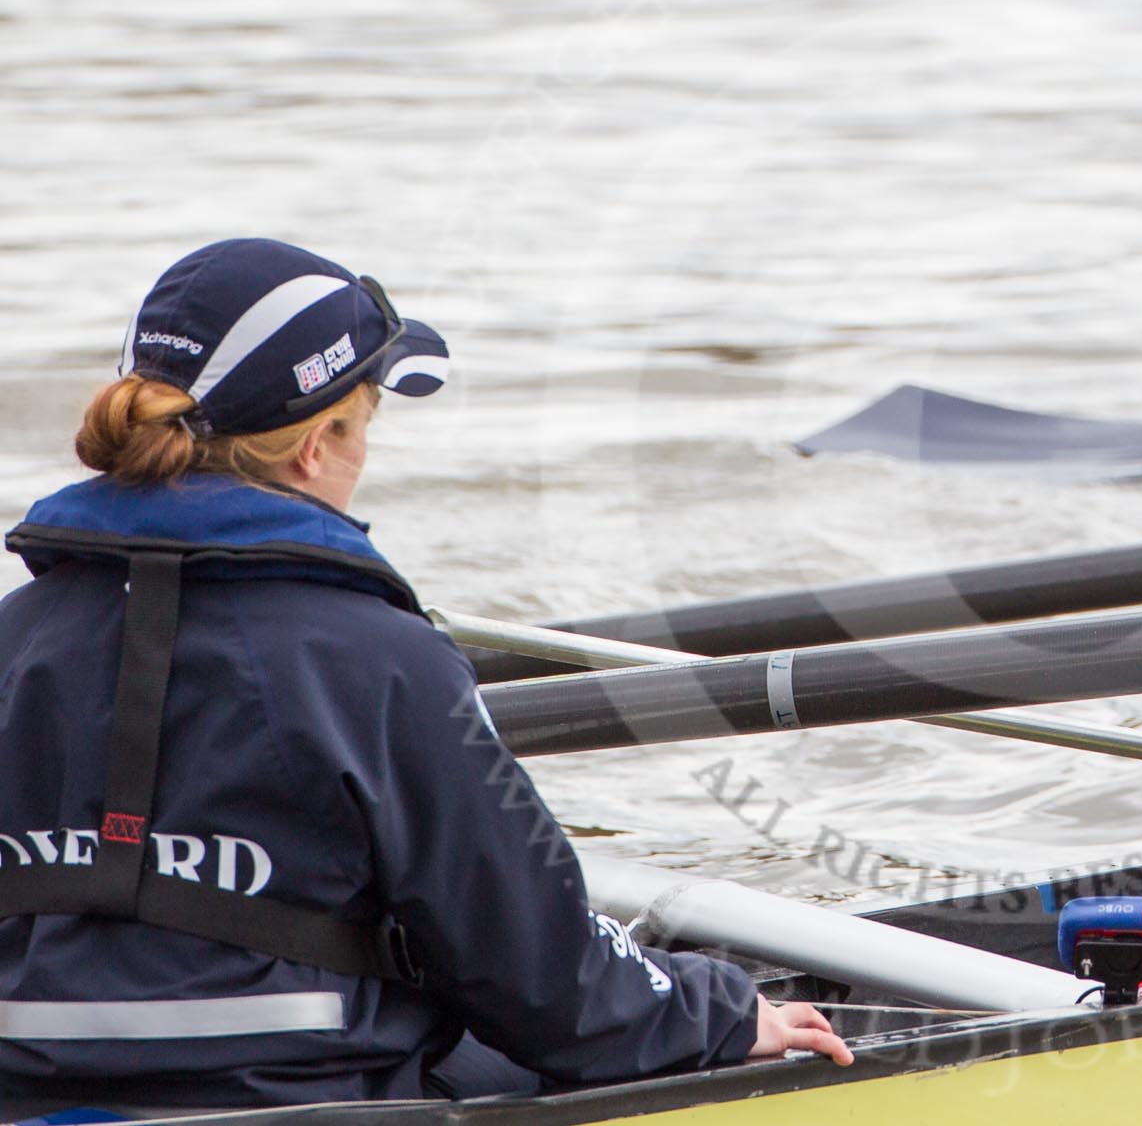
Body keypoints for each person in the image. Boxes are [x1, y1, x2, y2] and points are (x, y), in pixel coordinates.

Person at [0, 239, 849, 1107]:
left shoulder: (13, 635)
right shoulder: (381, 661)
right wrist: (717, 1012)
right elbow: (545, 979)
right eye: (366, 424)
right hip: (296, 1095)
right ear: (317, 447)